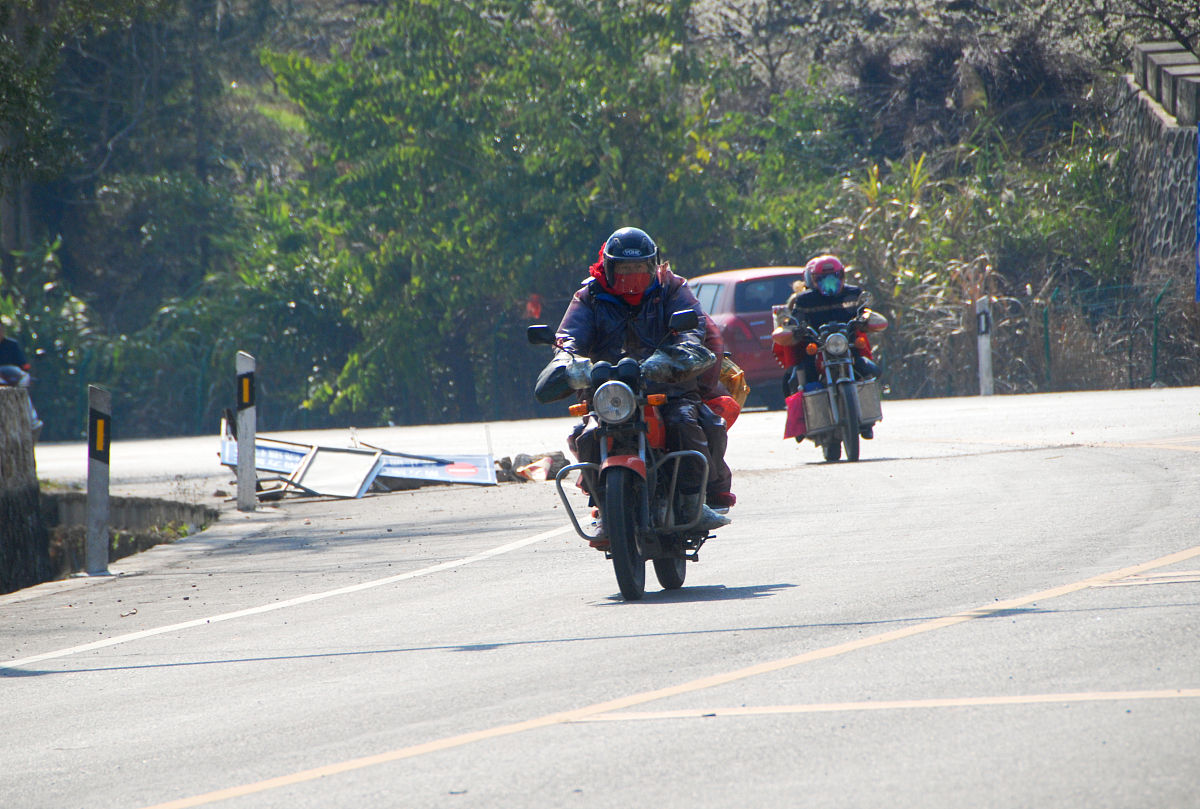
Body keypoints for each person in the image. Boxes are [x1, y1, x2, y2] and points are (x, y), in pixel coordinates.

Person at [534, 226, 730, 531]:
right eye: (625, 268)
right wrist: (568, 361)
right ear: (609, 268)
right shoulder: (590, 296)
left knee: (683, 423)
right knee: (587, 436)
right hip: (608, 390)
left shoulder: (671, 288)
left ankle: (692, 503)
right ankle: (603, 506)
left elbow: (692, 329)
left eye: (639, 267)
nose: (632, 275)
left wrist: (674, 356)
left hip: (669, 387)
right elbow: (569, 337)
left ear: (652, 265)